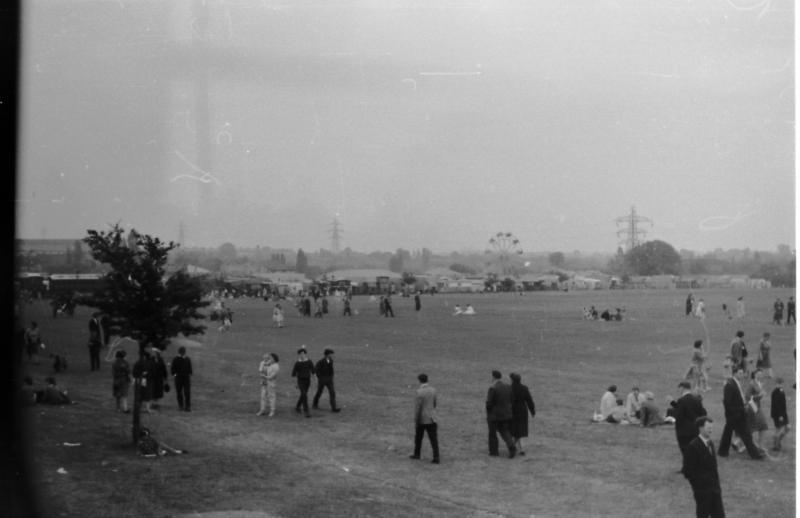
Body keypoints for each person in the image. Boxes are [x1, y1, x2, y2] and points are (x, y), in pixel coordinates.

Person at [717, 367, 764, 460]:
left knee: (736, 434)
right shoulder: (730, 385)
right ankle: (755, 455)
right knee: (741, 434)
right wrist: (741, 408)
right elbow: (727, 402)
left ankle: (722, 452)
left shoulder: (737, 383)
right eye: (740, 373)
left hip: (739, 414)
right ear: (734, 373)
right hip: (735, 415)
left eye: (742, 373)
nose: (742, 375)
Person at [683, 416, 725, 518]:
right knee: (703, 514)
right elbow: (688, 471)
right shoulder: (693, 446)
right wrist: (700, 487)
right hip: (702, 491)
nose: (710, 430)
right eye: (708, 427)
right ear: (700, 428)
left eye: (711, 427)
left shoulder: (710, 443)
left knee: (719, 515)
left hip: (715, 489)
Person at [673, 381, 707, 471]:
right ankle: (689, 467)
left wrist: (677, 426)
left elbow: (679, 416)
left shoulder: (682, 400)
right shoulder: (696, 399)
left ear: (682, 388)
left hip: (684, 430)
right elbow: (703, 413)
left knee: (685, 450)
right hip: (695, 429)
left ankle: (688, 468)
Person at [409, 373, 439, 464]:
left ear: (419, 381)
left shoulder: (419, 392)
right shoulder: (433, 390)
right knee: (433, 439)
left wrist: (416, 419)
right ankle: (436, 456)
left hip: (422, 419)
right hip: (432, 417)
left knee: (418, 437)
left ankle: (417, 453)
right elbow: (434, 403)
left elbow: (418, 408)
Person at [486, 370, 516, 458]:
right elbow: (512, 399)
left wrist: (489, 413)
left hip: (494, 415)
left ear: (494, 377)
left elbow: (489, 403)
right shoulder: (507, 386)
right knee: (505, 431)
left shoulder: (493, 388)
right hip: (506, 414)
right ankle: (511, 446)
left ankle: (494, 452)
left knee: (492, 434)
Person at [509, 373, 536, 455]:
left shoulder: (510, 388)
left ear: (512, 380)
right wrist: (532, 411)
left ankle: (513, 446)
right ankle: (521, 449)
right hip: (522, 411)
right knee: (520, 430)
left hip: (513, 410)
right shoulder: (524, 388)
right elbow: (529, 400)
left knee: (514, 430)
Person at [745, 369, 769, 455]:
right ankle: (749, 445)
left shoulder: (759, 383)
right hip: (752, 408)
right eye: (758, 374)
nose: (760, 376)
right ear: (754, 374)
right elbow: (747, 396)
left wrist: (761, 395)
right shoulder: (751, 384)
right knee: (751, 428)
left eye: (761, 374)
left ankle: (760, 446)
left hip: (758, 407)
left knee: (763, 426)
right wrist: (759, 395)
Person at [312, 348, 341, 412]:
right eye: (331, 354)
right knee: (319, 392)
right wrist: (319, 378)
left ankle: (334, 408)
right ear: (327, 355)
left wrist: (331, 377)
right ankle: (314, 404)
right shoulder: (320, 362)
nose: (333, 356)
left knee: (332, 393)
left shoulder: (330, 360)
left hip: (329, 380)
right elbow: (315, 370)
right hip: (322, 380)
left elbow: (331, 370)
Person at [291, 347, 315, 417]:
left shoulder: (309, 362)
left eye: (303, 354)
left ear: (305, 354)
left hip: (307, 381)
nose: (302, 355)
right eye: (300, 354)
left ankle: (297, 406)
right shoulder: (297, 363)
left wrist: (315, 379)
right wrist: (295, 383)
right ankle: (306, 411)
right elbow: (293, 374)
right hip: (300, 381)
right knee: (304, 394)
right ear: (298, 355)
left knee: (303, 395)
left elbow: (313, 371)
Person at [133, 345, 156, 413]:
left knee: (140, 394)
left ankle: (139, 408)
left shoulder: (137, 363)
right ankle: (147, 408)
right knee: (147, 395)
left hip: (140, 380)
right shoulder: (150, 363)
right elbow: (153, 372)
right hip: (148, 381)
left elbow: (134, 372)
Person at [170, 346, 193, 412]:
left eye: (183, 352)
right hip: (178, 378)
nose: (182, 354)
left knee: (187, 392)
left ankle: (187, 406)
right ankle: (181, 406)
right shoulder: (176, 359)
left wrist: (189, 374)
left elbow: (190, 369)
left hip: (186, 379)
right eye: (181, 352)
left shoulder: (187, 359)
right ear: (180, 352)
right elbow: (172, 369)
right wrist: (175, 375)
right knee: (179, 392)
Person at [770, 377, 790, 451]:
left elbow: (782, 402)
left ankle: (778, 441)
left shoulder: (781, 390)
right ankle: (775, 445)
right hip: (778, 415)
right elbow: (776, 405)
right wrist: (780, 415)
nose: (780, 385)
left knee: (787, 427)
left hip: (783, 414)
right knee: (778, 429)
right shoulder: (775, 392)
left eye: (781, 383)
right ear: (776, 384)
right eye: (778, 383)